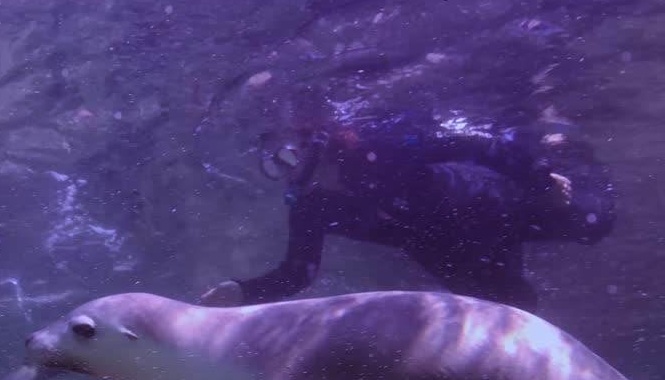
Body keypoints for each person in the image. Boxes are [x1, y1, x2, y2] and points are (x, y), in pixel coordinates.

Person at [198, 105, 616, 312]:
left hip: (489, 203)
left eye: (284, 156)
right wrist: (244, 290)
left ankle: (574, 155)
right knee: (514, 313)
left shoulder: (378, 148)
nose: (285, 173)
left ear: (311, 140)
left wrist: (539, 179)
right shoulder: (312, 208)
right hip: (440, 249)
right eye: (272, 169)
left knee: (597, 222)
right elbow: (298, 274)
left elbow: (473, 143)